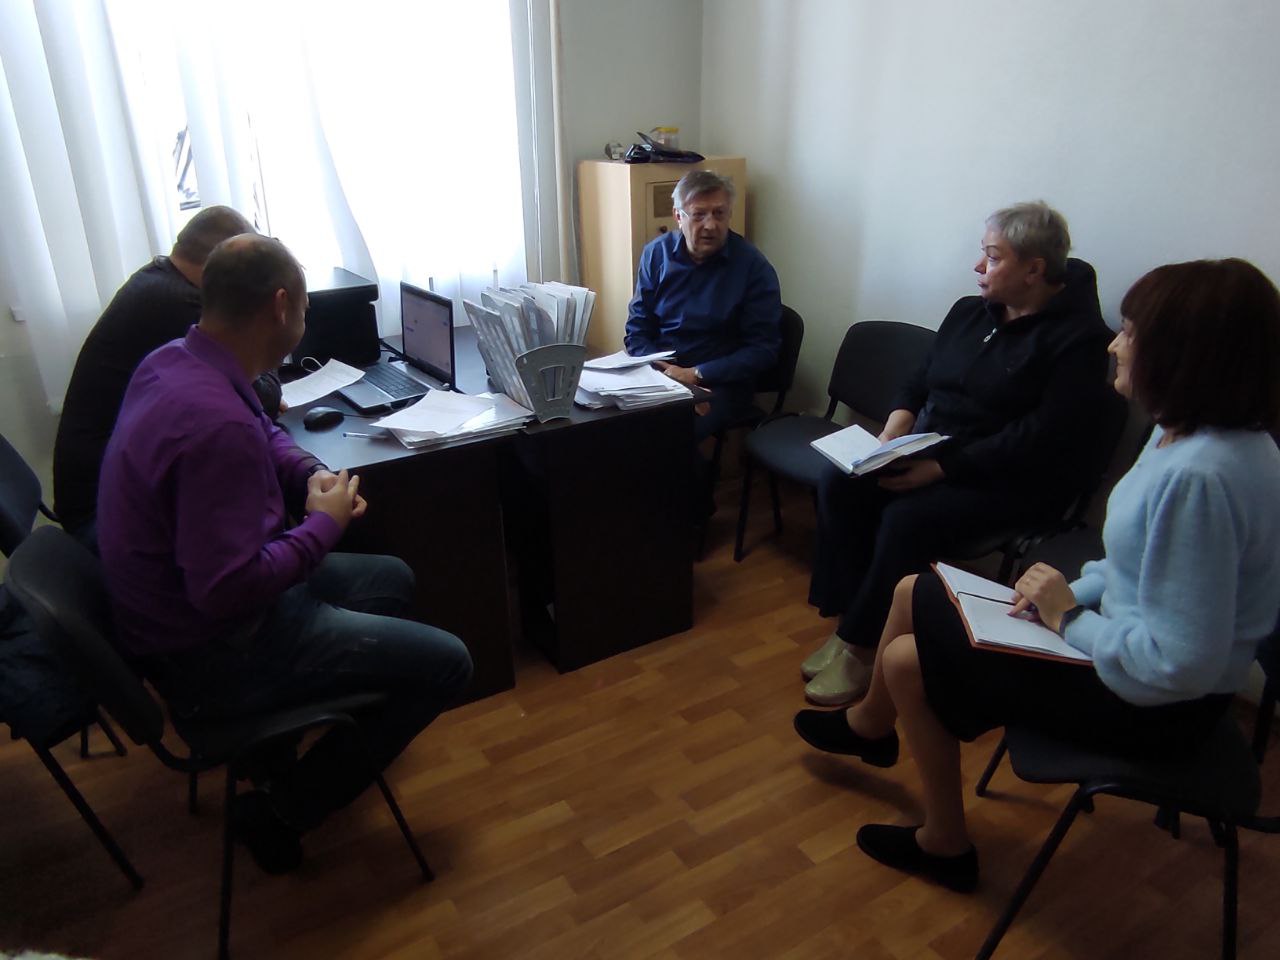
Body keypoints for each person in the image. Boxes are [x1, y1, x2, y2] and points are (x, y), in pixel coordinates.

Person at [793, 257, 1280, 892]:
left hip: (1154, 706)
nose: (1115, 345)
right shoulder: (1187, 436)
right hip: (1123, 655)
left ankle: (913, 796)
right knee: (910, 612)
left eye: (1132, 333)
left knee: (914, 634)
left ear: (1186, 355)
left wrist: (1066, 617)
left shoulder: (1203, 477)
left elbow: (1177, 665)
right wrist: (1070, 596)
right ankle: (890, 757)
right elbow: (1127, 564)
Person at [97, 234, 473, 873]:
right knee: (450, 665)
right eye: (303, 306)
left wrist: (308, 474)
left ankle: (279, 751)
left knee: (392, 579)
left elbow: (264, 429)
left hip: (177, 624)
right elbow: (227, 589)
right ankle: (283, 811)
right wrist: (324, 526)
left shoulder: (175, 361)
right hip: (214, 653)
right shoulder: (213, 426)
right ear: (280, 306)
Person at [802, 201, 1113, 706]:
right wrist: (894, 432)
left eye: (993, 256)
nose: (978, 266)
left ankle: (862, 647)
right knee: (841, 482)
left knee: (906, 519)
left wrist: (942, 468)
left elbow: (1039, 437)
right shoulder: (970, 312)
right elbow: (920, 378)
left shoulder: (1080, 342)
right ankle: (850, 620)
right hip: (931, 451)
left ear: (1034, 270)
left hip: (1009, 480)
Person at [53, 205, 283, 546]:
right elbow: (262, 399)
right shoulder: (182, 307)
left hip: (107, 495)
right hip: (102, 516)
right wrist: (270, 329)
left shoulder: (156, 281)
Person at [624, 169, 783, 446]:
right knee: (608, 426)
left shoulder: (753, 268)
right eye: (699, 215)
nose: (710, 225)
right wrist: (665, 374)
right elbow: (637, 328)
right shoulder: (656, 254)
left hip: (720, 382)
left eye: (719, 214)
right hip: (662, 374)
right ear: (678, 216)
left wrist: (696, 375)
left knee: (667, 435)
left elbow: (763, 350)